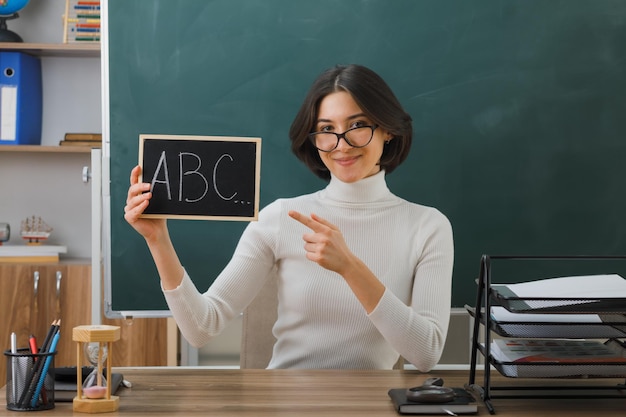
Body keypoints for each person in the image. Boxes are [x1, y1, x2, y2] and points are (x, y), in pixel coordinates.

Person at [124, 64, 454, 370]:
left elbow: (425, 354)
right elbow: (201, 327)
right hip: (283, 401)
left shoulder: (427, 227)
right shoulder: (282, 217)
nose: (341, 143)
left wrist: (349, 266)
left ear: (388, 130)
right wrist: (157, 239)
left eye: (357, 125)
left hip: (371, 404)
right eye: (326, 129)